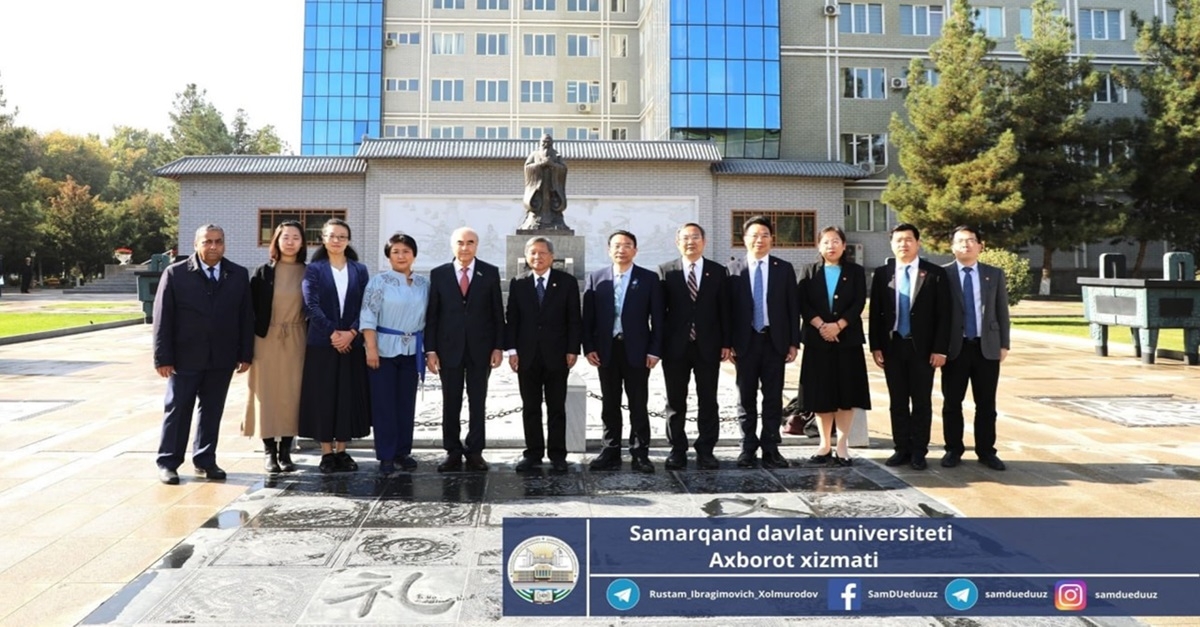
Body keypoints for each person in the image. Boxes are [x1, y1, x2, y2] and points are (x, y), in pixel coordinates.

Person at [152, 224, 253, 485]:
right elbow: (163, 318)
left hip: (222, 357)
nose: (213, 247)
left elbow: (245, 317)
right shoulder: (175, 274)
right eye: (207, 242)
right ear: (196, 244)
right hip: (184, 358)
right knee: (178, 409)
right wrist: (162, 357)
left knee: (212, 411)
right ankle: (168, 462)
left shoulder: (238, 275)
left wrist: (245, 353)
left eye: (218, 241)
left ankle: (205, 460)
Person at [868, 223, 951, 471]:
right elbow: (875, 314)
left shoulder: (935, 273)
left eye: (908, 240)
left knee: (922, 401)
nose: (903, 244)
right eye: (898, 240)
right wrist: (876, 346)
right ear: (891, 244)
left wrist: (940, 349)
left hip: (923, 349)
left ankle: (919, 451)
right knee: (898, 401)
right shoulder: (883, 274)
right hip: (892, 348)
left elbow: (944, 316)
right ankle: (901, 448)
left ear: (918, 242)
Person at [582, 230, 664, 473]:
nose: (621, 249)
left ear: (635, 250)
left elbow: (658, 319)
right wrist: (589, 348)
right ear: (609, 250)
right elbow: (588, 319)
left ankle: (640, 453)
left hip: (638, 351)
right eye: (616, 245)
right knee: (609, 403)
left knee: (638, 403)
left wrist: (654, 350)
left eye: (627, 245)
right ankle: (610, 450)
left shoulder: (649, 279)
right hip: (606, 351)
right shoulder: (597, 278)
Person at [425, 226, 505, 472]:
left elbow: (497, 313)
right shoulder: (439, 274)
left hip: (481, 349)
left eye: (470, 242)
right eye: (460, 242)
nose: (465, 247)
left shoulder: (489, 273)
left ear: (476, 245)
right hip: (448, 349)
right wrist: (431, 350)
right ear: (453, 245)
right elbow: (433, 315)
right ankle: (452, 450)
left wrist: (498, 347)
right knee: (451, 401)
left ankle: (475, 451)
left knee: (478, 401)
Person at [298, 218, 371, 473]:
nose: (337, 240)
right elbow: (311, 306)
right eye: (332, 236)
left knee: (347, 396)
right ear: (323, 239)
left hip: (352, 344)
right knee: (324, 397)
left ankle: (343, 450)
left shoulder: (359, 270)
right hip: (322, 344)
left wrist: (351, 332)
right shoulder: (314, 269)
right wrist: (333, 333)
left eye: (342, 236)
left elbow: (366, 305)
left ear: (348, 240)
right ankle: (326, 452)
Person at [727, 216, 799, 469]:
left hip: (774, 341)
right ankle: (747, 447)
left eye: (765, 235)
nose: (759, 240)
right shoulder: (733, 269)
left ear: (772, 239)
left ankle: (771, 448)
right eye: (754, 235)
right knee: (745, 397)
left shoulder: (784, 268)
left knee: (772, 397)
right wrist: (728, 342)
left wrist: (793, 342)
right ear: (744, 239)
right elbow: (727, 311)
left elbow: (792, 307)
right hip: (744, 343)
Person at [505, 236, 582, 473]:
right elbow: (513, 319)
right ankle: (533, 453)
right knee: (530, 406)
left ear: (551, 256)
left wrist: (572, 349)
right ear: (527, 256)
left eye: (542, 253)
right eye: (533, 253)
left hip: (557, 355)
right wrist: (512, 351)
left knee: (556, 406)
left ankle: (558, 455)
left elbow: (573, 318)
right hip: (527, 356)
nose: (537, 257)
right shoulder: (519, 283)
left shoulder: (566, 282)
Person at [657, 223, 730, 471]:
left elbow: (724, 310)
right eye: (686, 238)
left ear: (704, 241)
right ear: (677, 242)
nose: (691, 242)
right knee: (675, 402)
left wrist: (727, 343)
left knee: (708, 400)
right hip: (675, 347)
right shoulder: (666, 272)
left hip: (708, 345)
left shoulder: (718, 271)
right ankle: (677, 450)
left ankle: (706, 450)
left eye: (696, 237)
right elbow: (658, 314)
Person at [796, 226, 870, 467]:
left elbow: (859, 301)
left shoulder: (855, 271)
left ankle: (842, 445)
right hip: (818, 342)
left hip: (847, 340)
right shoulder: (809, 271)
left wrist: (839, 325)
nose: (832, 246)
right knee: (821, 394)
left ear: (844, 245)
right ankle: (824, 444)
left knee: (845, 394)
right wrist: (821, 326)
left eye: (836, 241)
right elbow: (802, 303)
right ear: (819, 246)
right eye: (826, 242)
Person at [941, 225, 1011, 471]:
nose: (966, 245)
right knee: (952, 403)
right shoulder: (943, 275)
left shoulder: (994, 274)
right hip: (955, 348)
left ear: (980, 246)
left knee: (986, 404)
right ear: (952, 247)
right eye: (960, 241)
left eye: (971, 240)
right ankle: (953, 449)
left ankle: (986, 451)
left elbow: (1002, 311)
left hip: (987, 347)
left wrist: (1004, 344)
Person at [362, 233, 429, 474]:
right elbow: (368, 316)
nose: (401, 256)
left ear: (414, 254)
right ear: (388, 256)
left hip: (412, 350)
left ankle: (403, 451)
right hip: (383, 349)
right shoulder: (378, 282)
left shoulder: (424, 283)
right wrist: (371, 348)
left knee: (405, 403)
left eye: (406, 251)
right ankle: (386, 455)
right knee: (384, 404)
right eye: (395, 252)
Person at [244, 220, 307, 473]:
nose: (290, 241)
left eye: (296, 237)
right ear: (277, 241)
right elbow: (249, 310)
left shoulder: (309, 272)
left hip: (297, 337)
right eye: (285, 237)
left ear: (303, 242)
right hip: (266, 338)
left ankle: (286, 451)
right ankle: (269, 451)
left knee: (293, 395)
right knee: (266, 394)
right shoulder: (263, 272)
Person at [521, 134, 569, 230]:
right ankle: (535, 220)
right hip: (538, 186)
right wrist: (541, 165)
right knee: (537, 203)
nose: (546, 144)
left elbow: (563, 168)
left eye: (548, 142)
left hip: (552, 185)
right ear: (540, 142)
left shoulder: (556, 155)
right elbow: (527, 167)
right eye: (544, 142)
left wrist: (553, 165)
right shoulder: (534, 154)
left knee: (553, 203)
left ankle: (554, 221)